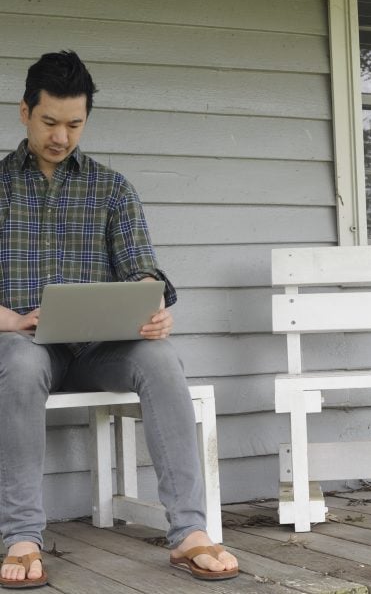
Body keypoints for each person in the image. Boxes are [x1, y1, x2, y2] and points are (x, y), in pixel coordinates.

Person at [0, 50, 238, 588]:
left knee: (158, 356)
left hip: (97, 352)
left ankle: (189, 533)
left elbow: (141, 272)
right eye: (50, 122)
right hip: (26, 350)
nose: (61, 136)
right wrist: (13, 322)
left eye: (74, 124)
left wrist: (151, 310)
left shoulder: (112, 190)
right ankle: (20, 536)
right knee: (17, 358)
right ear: (24, 113)